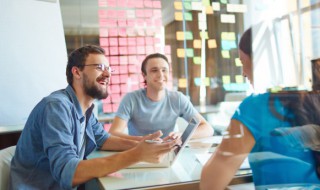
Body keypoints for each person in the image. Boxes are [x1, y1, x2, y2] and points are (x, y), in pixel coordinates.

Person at [9, 45, 180, 190]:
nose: (107, 74)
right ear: (77, 72)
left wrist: (142, 143)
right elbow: (68, 172)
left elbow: (103, 139)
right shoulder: (56, 107)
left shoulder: (86, 108)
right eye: (99, 67)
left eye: (108, 69)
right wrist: (136, 154)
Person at [200, 28, 320, 189]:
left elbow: (210, 183)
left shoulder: (257, 107)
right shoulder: (314, 98)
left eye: (243, 62)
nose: (243, 73)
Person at [109, 53, 214, 141]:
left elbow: (207, 128)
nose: (160, 75)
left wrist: (182, 135)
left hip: (169, 152)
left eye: (164, 70)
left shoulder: (178, 99)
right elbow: (113, 133)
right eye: (154, 70)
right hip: (138, 152)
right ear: (144, 75)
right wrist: (143, 140)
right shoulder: (131, 99)